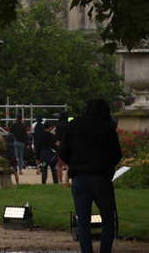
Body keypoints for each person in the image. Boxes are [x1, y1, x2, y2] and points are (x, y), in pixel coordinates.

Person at [60, 98, 122, 253]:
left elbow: (63, 152)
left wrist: (74, 163)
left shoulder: (73, 125)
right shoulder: (107, 127)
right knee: (108, 220)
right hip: (100, 177)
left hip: (79, 177)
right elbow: (116, 154)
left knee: (83, 221)